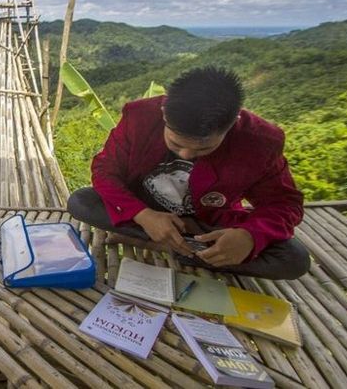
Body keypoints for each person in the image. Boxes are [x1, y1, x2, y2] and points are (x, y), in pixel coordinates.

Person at [68, 66, 310, 280]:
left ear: (232, 124)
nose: (185, 154)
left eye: (204, 148)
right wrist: (144, 215)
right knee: (81, 202)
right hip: (144, 207)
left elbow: (285, 203)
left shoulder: (260, 141)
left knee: (294, 259)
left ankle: (180, 248)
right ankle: (187, 250)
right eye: (175, 144)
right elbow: (105, 170)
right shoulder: (139, 117)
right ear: (164, 114)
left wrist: (249, 237)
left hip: (206, 223)